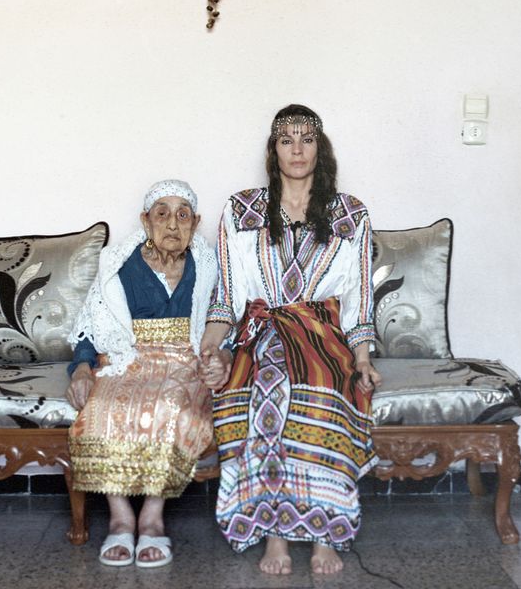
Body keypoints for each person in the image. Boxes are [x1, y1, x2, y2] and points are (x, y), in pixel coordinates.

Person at [199, 104, 381, 576]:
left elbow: (360, 294)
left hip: (324, 333)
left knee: (323, 390)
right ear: (273, 150)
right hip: (261, 331)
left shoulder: (350, 213)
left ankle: (324, 531)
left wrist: (362, 359)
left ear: (321, 149)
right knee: (262, 385)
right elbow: (228, 294)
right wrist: (212, 347)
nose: (297, 149)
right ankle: (274, 531)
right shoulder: (242, 210)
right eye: (286, 140)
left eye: (306, 139)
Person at [67, 179, 217, 568]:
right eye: (162, 214)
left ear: (196, 222)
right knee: (101, 407)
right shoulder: (120, 263)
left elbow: (224, 322)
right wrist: (82, 368)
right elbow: (91, 327)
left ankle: (151, 519)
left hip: (186, 360)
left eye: (182, 215)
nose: (172, 224)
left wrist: (222, 356)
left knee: (169, 405)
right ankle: (120, 518)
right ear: (145, 220)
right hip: (127, 358)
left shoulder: (209, 265)